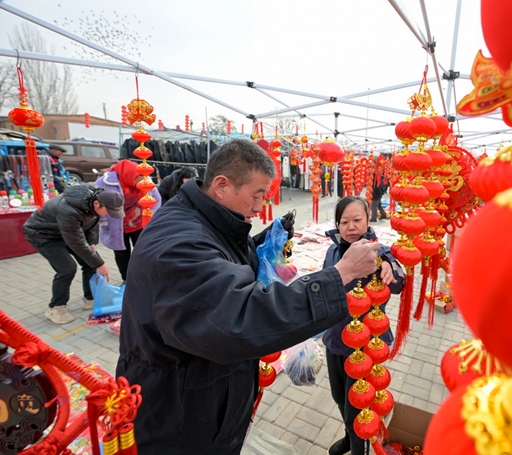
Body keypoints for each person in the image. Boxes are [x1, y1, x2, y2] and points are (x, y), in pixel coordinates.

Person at [116, 139, 381, 454]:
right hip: (178, 417)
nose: (259, 206)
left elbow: (222, 262)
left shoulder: (202, 221)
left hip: (198, 395)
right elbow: (241, 316)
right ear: (222, 185)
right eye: (257, 195)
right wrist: (341, 275)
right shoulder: (179, 246)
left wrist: (262, 241)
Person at [322, 195, 404, 455]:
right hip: (336, 338)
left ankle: (359, 449)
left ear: (368, 220)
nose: (351, 227)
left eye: (357, 219)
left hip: (366, 347)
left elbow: (399, 281)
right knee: (340, 398)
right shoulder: (333, 250)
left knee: (359, 408)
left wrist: (391, 266)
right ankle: (349, 438)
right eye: (344, 221)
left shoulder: (378, 253)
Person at [22, 184, 125, 324]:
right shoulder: (69, 209)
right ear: (97, 203)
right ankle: (55, 307)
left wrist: (92, 243)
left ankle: (90, 298)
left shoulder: (96, 200)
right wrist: (99, 263)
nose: (108, 215)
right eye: (108, 211)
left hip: (67, 232)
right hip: (43, 235)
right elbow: (76, 242)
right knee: (67, 268)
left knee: (90, 261)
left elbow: (92, 223)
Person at [95, 160, 162, 283]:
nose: (140, 182)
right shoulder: (105, 183)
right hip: (117, 226)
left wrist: (150, 214)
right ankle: (127, 279)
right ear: (130, 175)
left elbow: (156, 199)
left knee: (143, 252)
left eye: (143, 179)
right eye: (138, 179)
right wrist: (103, 220)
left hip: (140, 224)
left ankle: (143, 277)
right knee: (122, 254)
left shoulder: (145, 180)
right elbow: (97, 204)